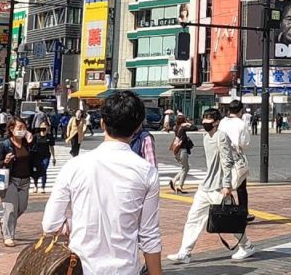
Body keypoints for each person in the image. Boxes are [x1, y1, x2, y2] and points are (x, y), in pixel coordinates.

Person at [41, 91, 163, 275]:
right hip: (125, 269)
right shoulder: (147, 173)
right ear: (138, 127)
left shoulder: (74, 166)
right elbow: (149, 235)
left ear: (102, 123)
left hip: (80, 267)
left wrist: (78, 223)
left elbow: (50, 225)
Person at [169, 108, 255, 263]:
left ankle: (246, 245)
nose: (205, 122)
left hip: (219, 187)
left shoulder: (221, 136)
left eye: (209, 119)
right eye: (204, 118)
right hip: (206, 186)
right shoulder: (205, 137)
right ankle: (185, 252)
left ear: (216, 122)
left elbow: (226, 161)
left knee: (228, 221)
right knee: (193, 218)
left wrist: (226, 185)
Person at [0, 117, 34, 247]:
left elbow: (37, 157)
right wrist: (4, 161)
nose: (22, 130)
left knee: (22, 207)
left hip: (25, 180)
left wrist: (32, 143)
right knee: (10, 209)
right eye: (19, 127)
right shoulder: (5, 145)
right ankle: (8, 236)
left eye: (24, 128)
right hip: (10, 180)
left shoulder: (28, 144)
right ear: (11, 129)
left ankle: (3, 221)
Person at [219, 100, 255, 223]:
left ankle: (226, 210)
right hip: (236, 157)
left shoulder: (223, 122)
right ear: (240, 111)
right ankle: (243, 212)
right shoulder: (241, 124)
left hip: (222, 155)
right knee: (241, 186)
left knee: (225, 183)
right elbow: (245, 143)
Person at [170, 114, 195, 194]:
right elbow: (194, 128)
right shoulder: (183, 127)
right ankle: (180, 186)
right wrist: (189, 124)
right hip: (182, 150)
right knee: (185, 168)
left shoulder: (176, 128)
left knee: (185, 168)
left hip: (177, 150)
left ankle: (174, 181)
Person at [30, 122, 56, 194]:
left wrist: (54, 157)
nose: (43, 127)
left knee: (44, 170)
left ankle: (43, 187)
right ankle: (35, 185)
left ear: (48, 127)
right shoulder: (35, 136)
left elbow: (51, 147)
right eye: (42, 126)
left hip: (46, 156)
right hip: (36, 156)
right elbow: (31, 145)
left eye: (45, 126)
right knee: (36, 171)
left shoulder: (49, 137)